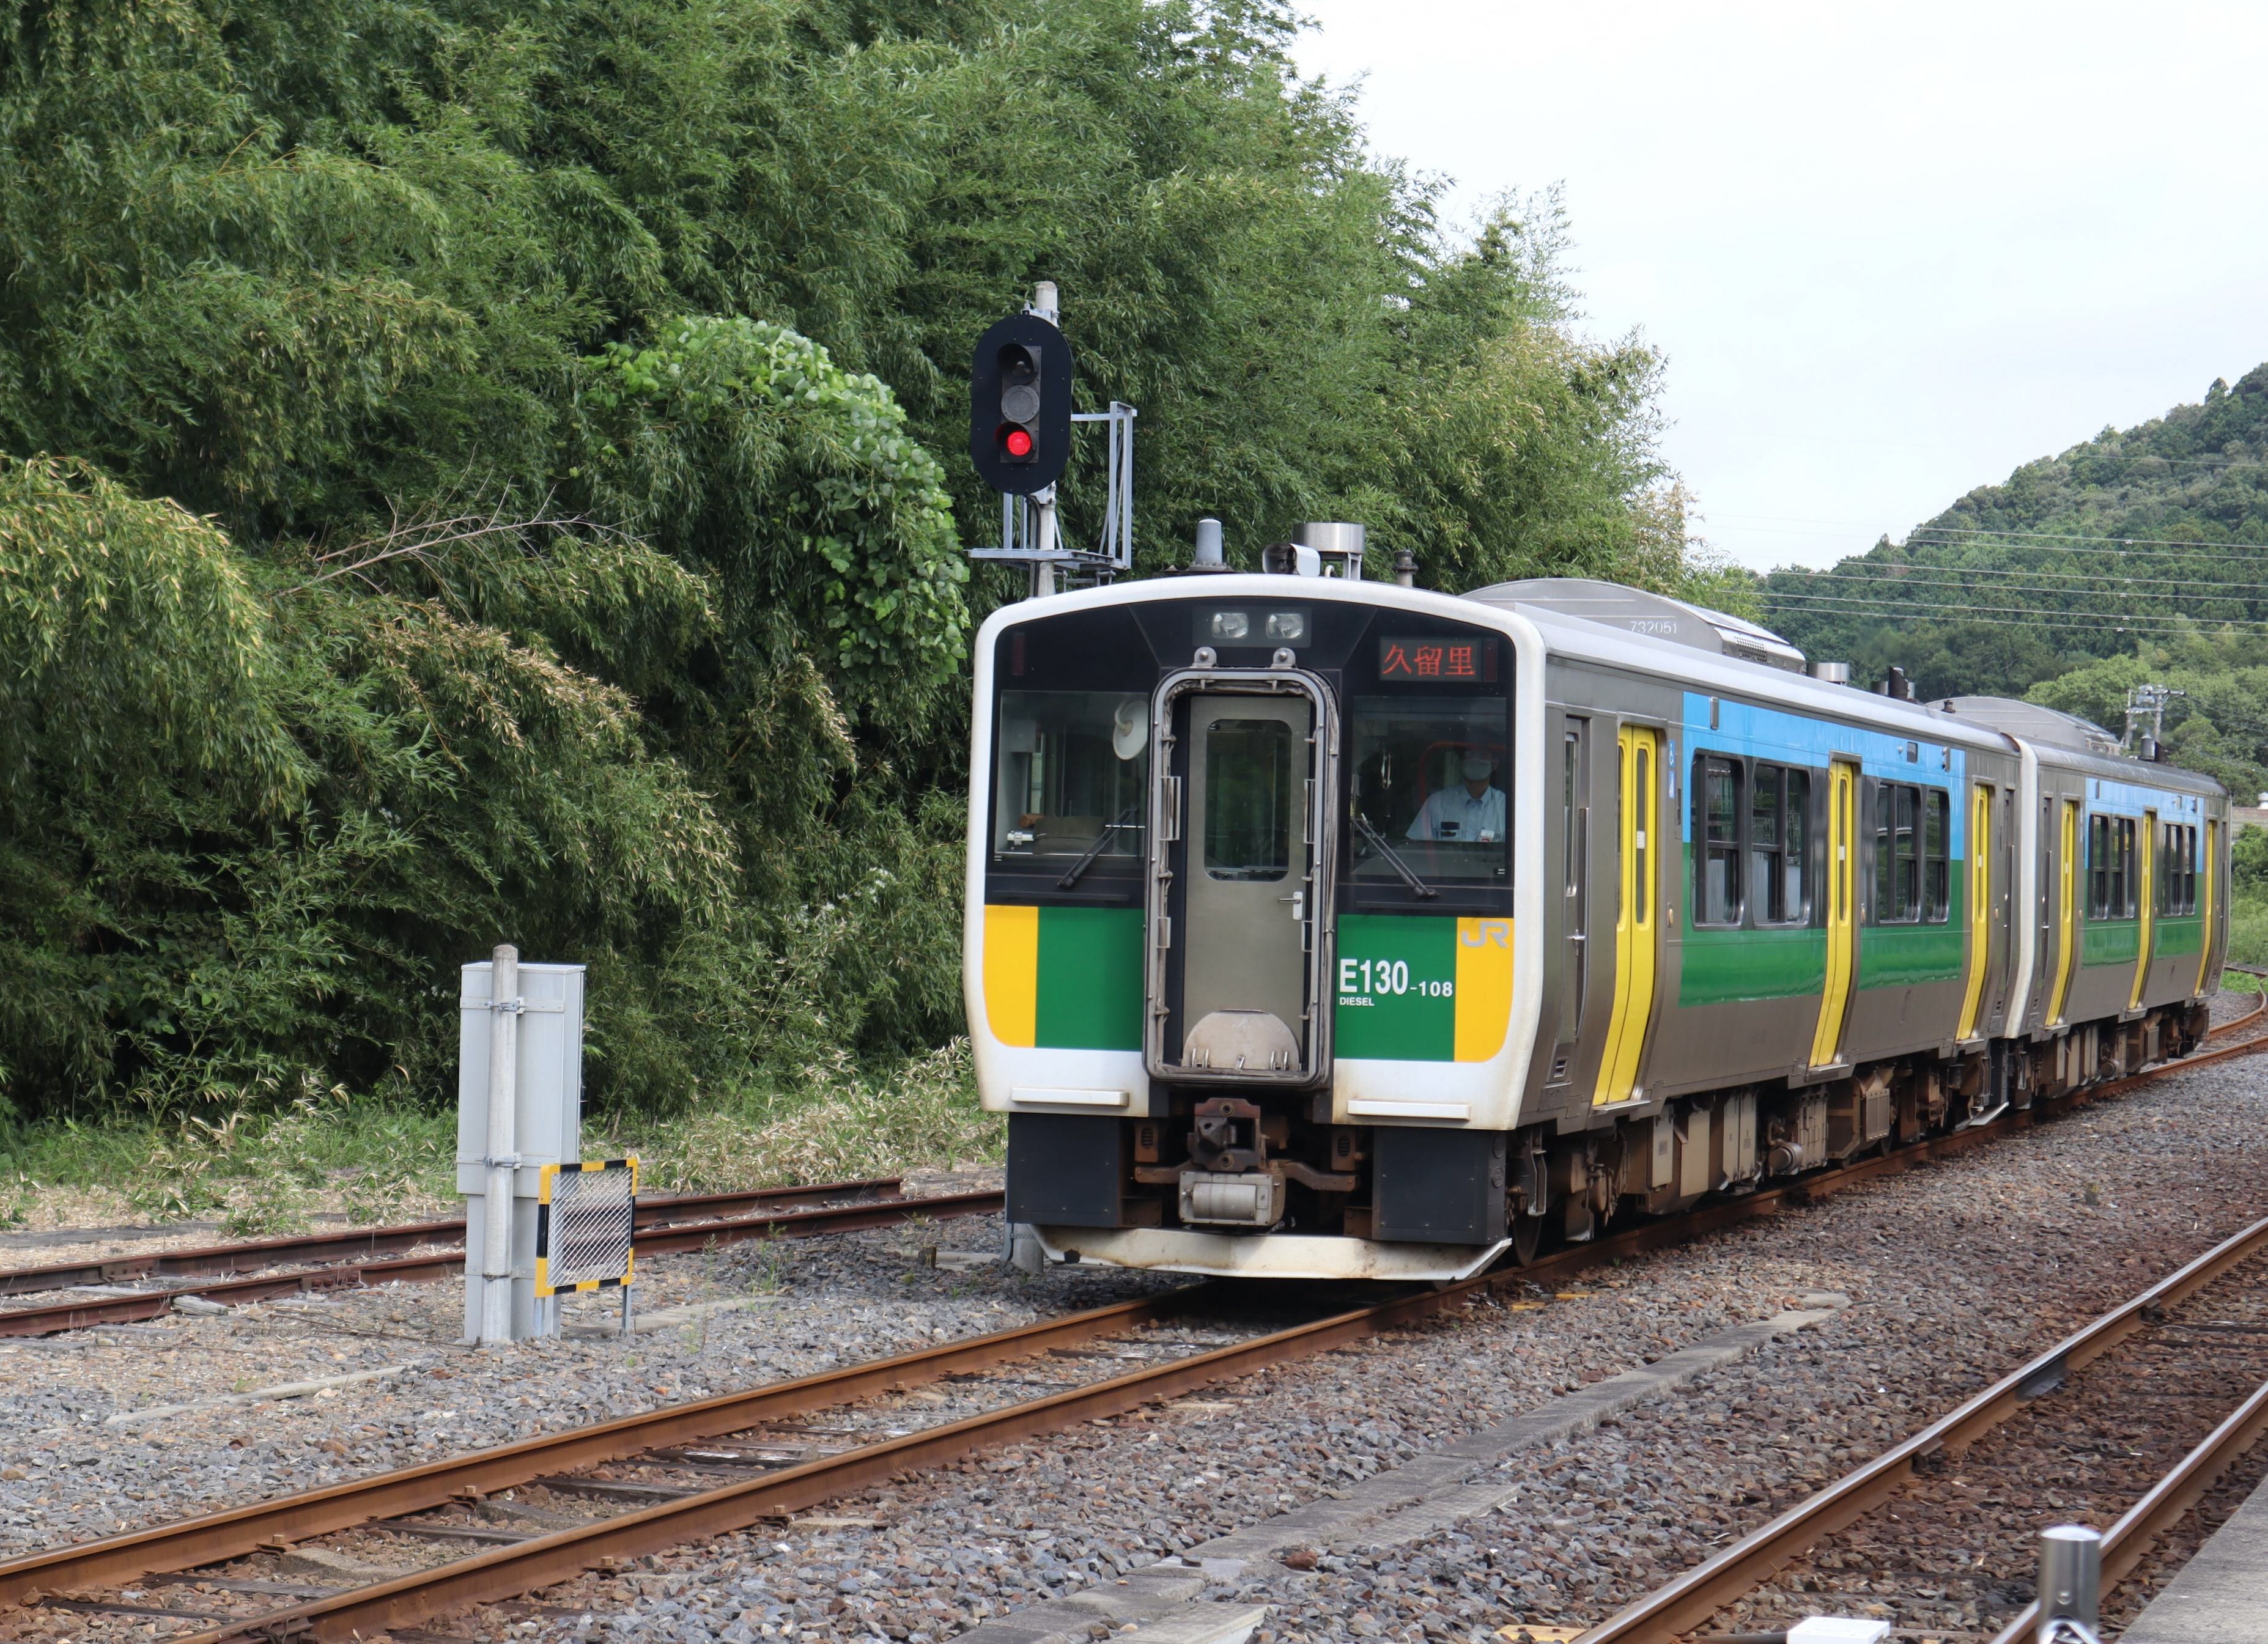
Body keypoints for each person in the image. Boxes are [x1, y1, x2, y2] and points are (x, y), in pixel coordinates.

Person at [1408, 753, 1505, 843]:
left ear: (1494, 764)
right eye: (1471, 754)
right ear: (1462, 762)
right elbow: (1415, 851)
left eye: (1482, 754)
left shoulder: (1507, 807)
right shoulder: (1436, 803)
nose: (1475, 759)